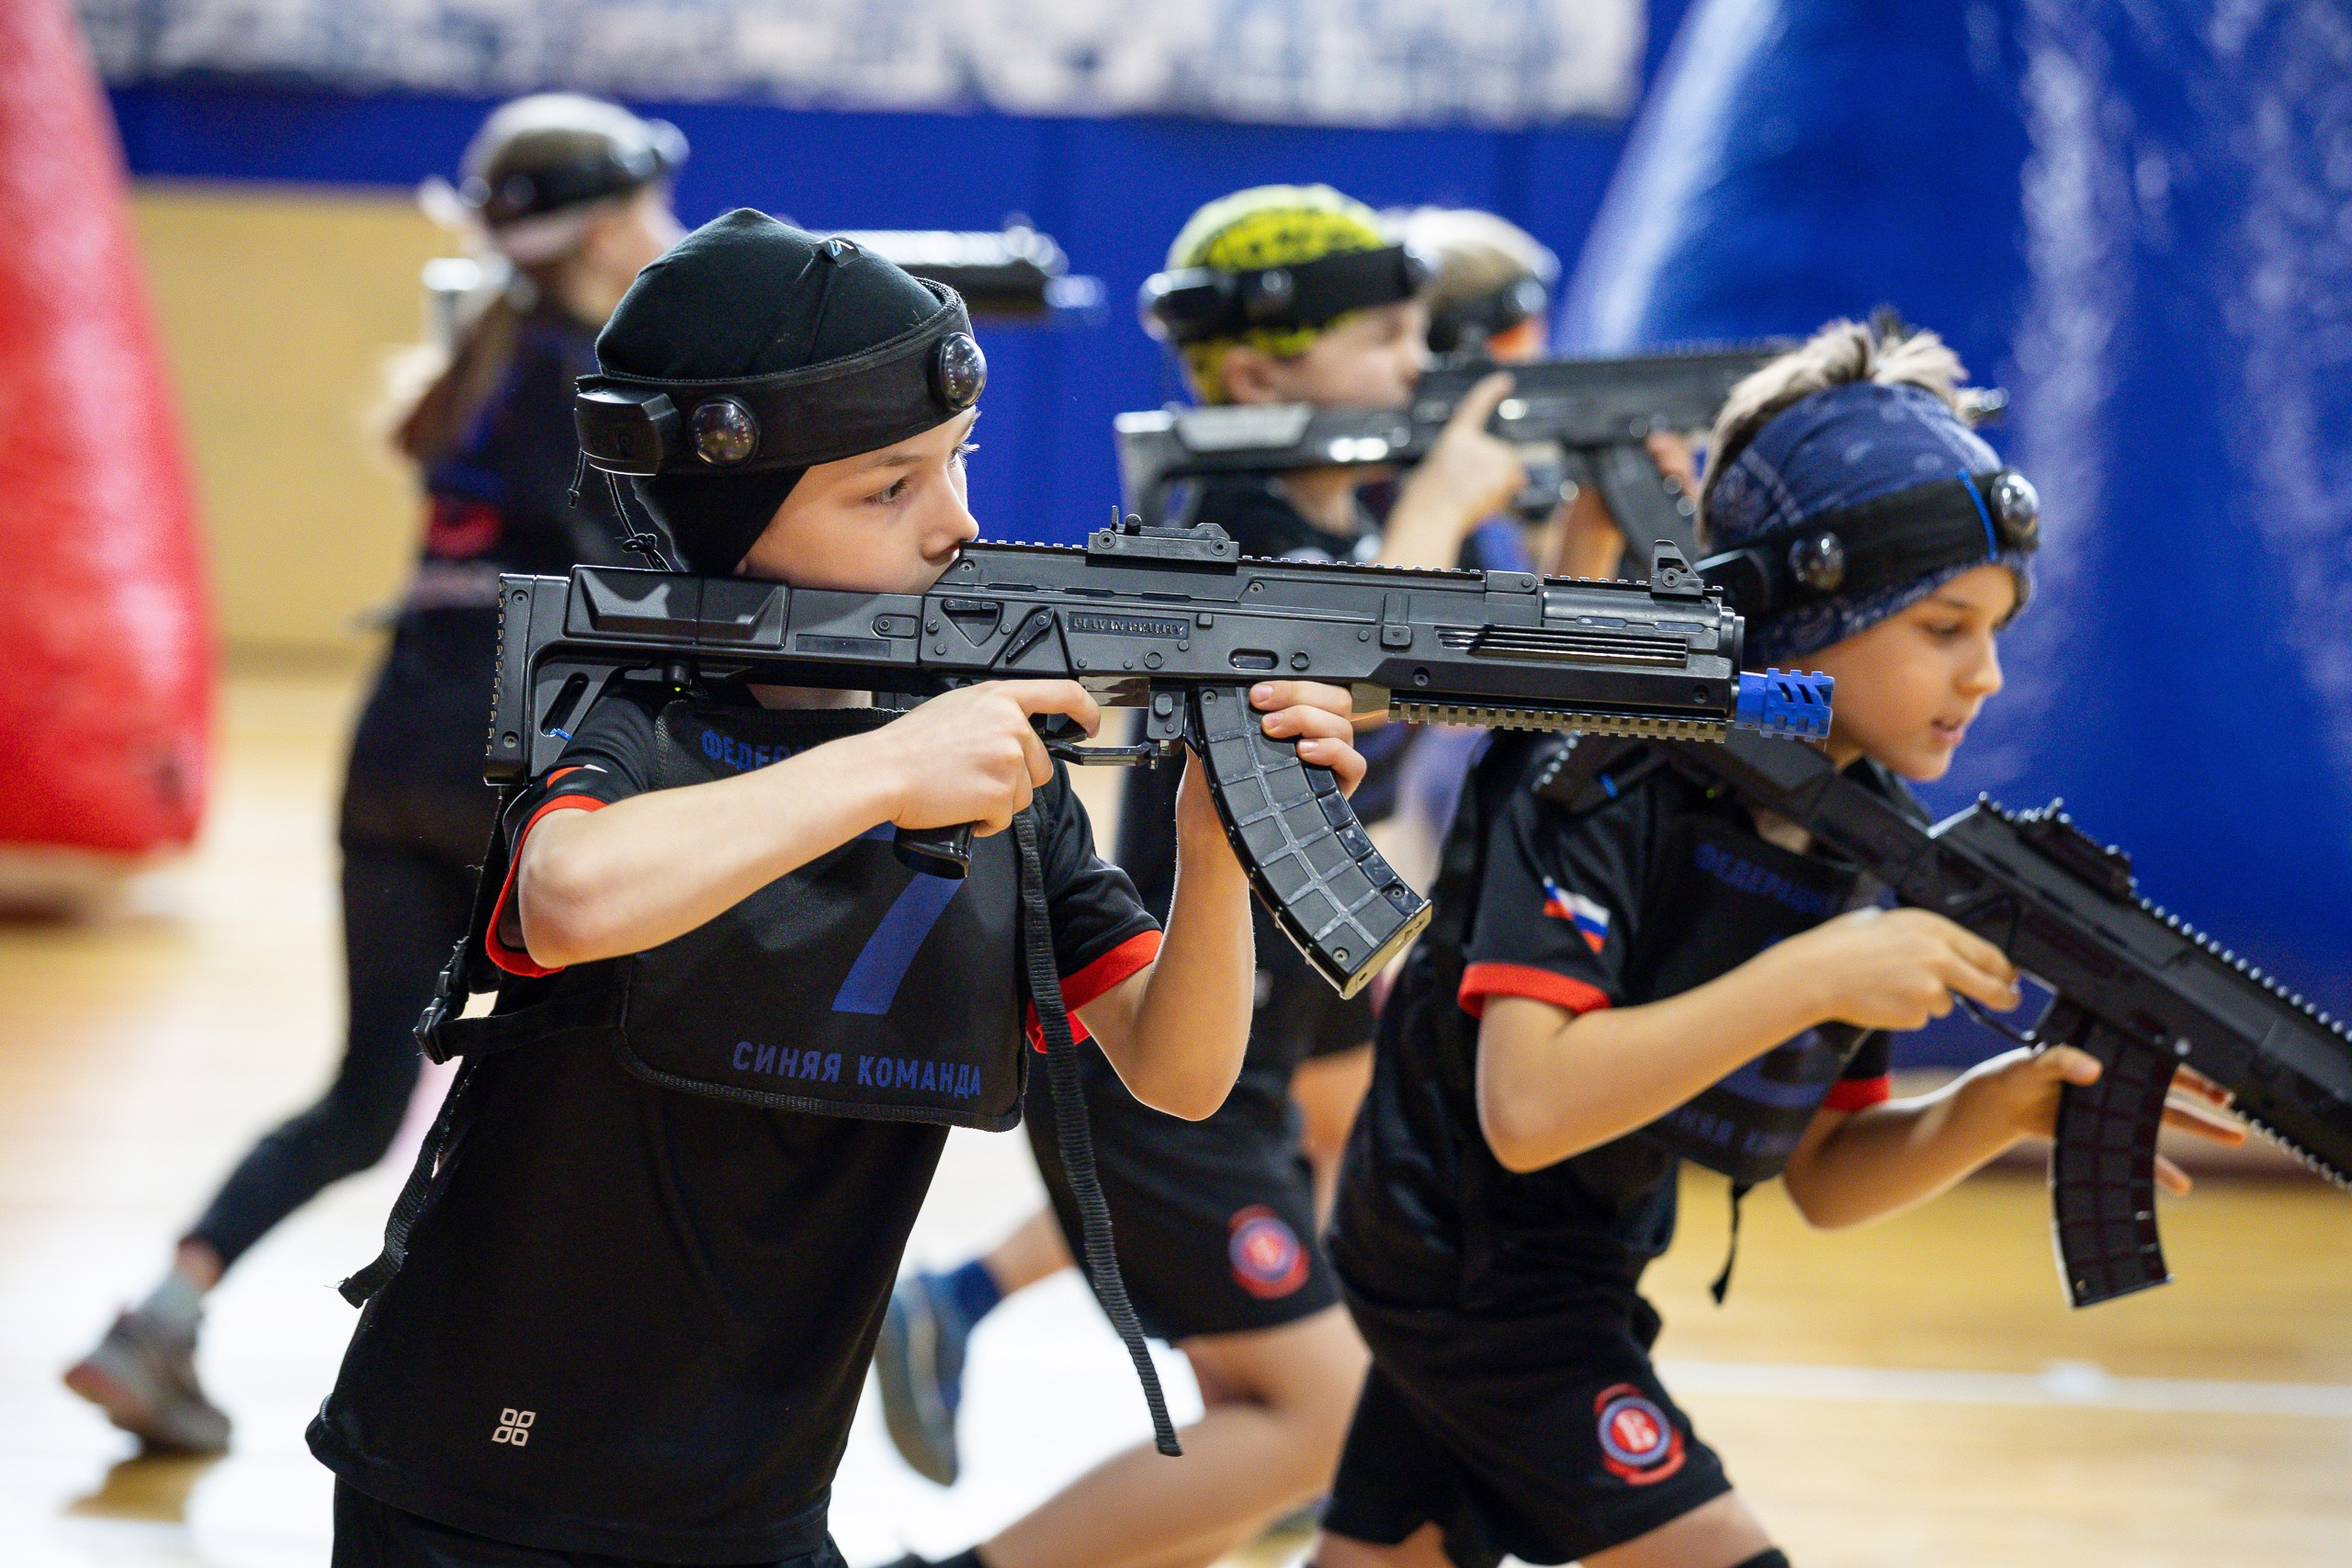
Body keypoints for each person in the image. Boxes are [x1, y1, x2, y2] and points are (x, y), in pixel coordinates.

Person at [307, 207, 1370, 1568]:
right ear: (735, 513)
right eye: (889, 488)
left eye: (955, 466)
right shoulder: (632, 712)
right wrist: (885, 768)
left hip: (756, 1501)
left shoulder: (987, 770)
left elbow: (1176, 1067)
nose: (960, 524)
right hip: (489, 1489)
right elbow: (568, 898)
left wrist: (1217, 852)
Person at [1308, 317, 2240, 1568]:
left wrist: (1994, 1107)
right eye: (1944, 627)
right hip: (1466, 1261)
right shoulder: (1600, 764)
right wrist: (1815, 973)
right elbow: (1526, 1104)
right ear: (1811, 611)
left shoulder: (1866, 834)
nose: (1989, 678)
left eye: (2001, 631)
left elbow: (1827, 1172)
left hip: (1570, 1267)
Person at [874, 185, 1519, 1568]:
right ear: (1258, 367)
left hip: (1248, 1047)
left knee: (1261, 1428)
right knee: (1319, 1426)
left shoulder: (1329, 513)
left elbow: (1470, 688)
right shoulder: (1225, 521)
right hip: (1159, 1040)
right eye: (1389, 335)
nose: (1421, 364)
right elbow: (1371, 677)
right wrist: (1455, 504)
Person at [62, 93, 684, 1454]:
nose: (667, 226)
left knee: (361, 1095)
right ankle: (510, 1410)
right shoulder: (593, 383)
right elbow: (654, 595)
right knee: (591, 1095)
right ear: (605, 229)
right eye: (648, 203)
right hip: (509, 763)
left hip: (393, 755)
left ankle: (162, 1314)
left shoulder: (481, 357)